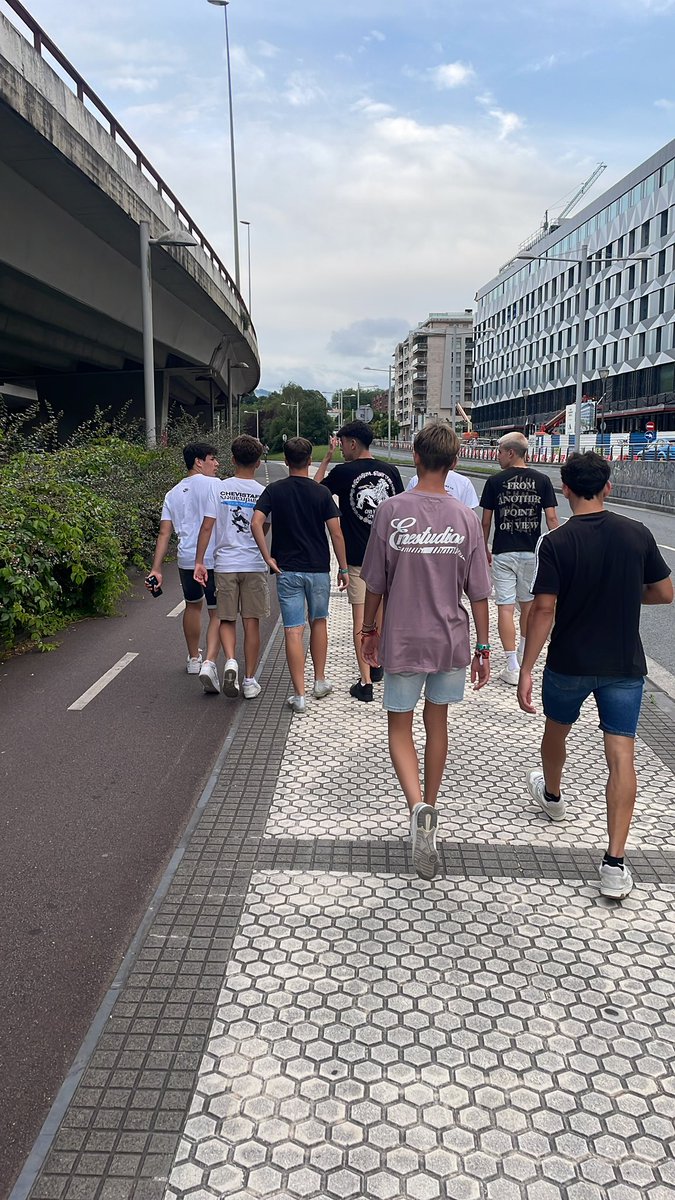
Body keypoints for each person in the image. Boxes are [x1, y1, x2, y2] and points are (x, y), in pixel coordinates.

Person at [517, 452, 672, 900]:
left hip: (569, 662)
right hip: (624, 665)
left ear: (564, 490)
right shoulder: (636, 533)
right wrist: (624, 596)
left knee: (556, 730)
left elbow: (544, 609)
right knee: (621, 752)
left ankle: (552, 794)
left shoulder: (558, 542)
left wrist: (526, 667)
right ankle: (614, 862)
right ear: (607, 487)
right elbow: (665, 593)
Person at [360, 423, 492, 881]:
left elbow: (374, 581)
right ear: (454, 462)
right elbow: (479, 592)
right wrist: (483, 646)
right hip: (451, 638)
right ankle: (430, 809)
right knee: (438, 724)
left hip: (402, 635)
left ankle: (415, 805)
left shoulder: (391, 510)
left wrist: (368, 629)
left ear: (414, 457)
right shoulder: (466, 517)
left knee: (400, 725)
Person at [251, 437, 350, 716]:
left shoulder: (274, 490)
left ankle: (300, 695)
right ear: (309, 461)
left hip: (287, 570)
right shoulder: (321, 493)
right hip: (318, 569)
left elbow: (256, 522)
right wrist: (343, 568)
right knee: (318, 622)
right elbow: (336, 532)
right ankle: (320, 681)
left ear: (286, 460)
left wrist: (266, 556)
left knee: (293, 630)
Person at [315, 420, 404, 702]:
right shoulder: (391, 471)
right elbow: (403, 510)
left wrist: (326, 459)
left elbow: (314, 491)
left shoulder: (343, 473)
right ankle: (378, 666)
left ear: (353, 443)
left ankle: (365, 682)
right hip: (390, 555)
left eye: (342, 443)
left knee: (360, 620)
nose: (340, 448)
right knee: (383, 617)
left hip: (358, 559)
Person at [193, 435, 269, 699]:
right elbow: (264, 526)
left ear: (233, 459)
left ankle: (230, 661)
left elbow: (207, 526)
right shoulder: (262, 492)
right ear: (258, 463)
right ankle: (249, 680)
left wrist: (200, 560)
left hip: (225, 563)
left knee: (225, 617)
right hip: (253, 563)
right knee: (252, 622)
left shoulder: (219, 488)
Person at [480, 432, 558, 685]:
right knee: (529, 606)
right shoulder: (543, 480)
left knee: (504, 606)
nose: (497, 455)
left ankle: (512, 665)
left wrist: (484, 548)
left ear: (511, 453)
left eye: (500, 451)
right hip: (531, 552)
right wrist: (557, 553)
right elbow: (552, 520)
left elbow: (486, 521)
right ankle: (525, 657)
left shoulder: (494, 481)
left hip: (503, 551)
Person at [147, 442, 220, 676]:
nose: (216, 463)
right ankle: (210, 661)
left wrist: (156, 568)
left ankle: (193, 658)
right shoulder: (216, 486)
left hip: (187, 559)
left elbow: (164, 533)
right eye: (212, 459)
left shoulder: (172, 493)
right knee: (216, 611)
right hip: (213, 558)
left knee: (192, 606)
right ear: (199, 461)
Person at [406, 462, 479, 509]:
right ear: (454, 462)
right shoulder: (464, 482)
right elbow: (470, 513)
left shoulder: (415, 479)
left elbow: (407, 507)